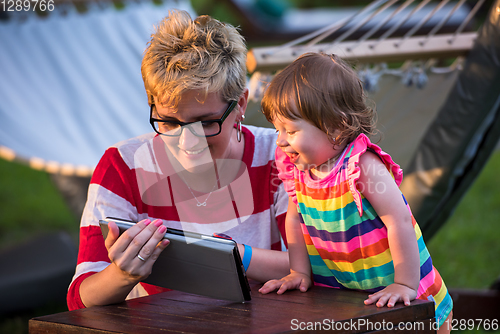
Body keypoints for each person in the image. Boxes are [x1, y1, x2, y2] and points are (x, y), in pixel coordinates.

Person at [67, 10, 290, 310]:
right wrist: (122, 275)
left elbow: (323, 268)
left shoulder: (281, 156)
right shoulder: (123, 166)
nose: (188, 142)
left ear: (240, 105)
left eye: (205, 122)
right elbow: (81, 300)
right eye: (169, 122)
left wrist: (234, 256)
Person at [258, 52, 453, 332]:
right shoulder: (298, 169)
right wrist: (299, 272)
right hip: (353, 295)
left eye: (289, 130)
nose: (281, 141)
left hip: (407, 293)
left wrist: (405, 283)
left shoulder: (362, 166)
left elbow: (398, 221)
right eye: (277, 130)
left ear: (336, 126)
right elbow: (295, 220)